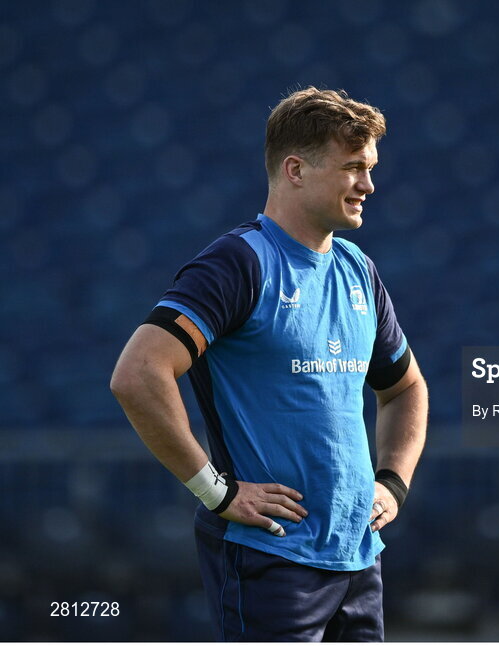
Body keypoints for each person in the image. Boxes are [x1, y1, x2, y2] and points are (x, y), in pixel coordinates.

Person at [110, 87, 428, 641]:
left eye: (371, 168)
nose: (369, 185)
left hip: (357, 559)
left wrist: (393, 484)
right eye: (354, 168)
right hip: (270, 556)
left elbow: (405, 389)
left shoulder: (359, 271)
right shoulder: (238, 263)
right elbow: (138, 375)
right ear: (296, 169)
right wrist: (218, 491)